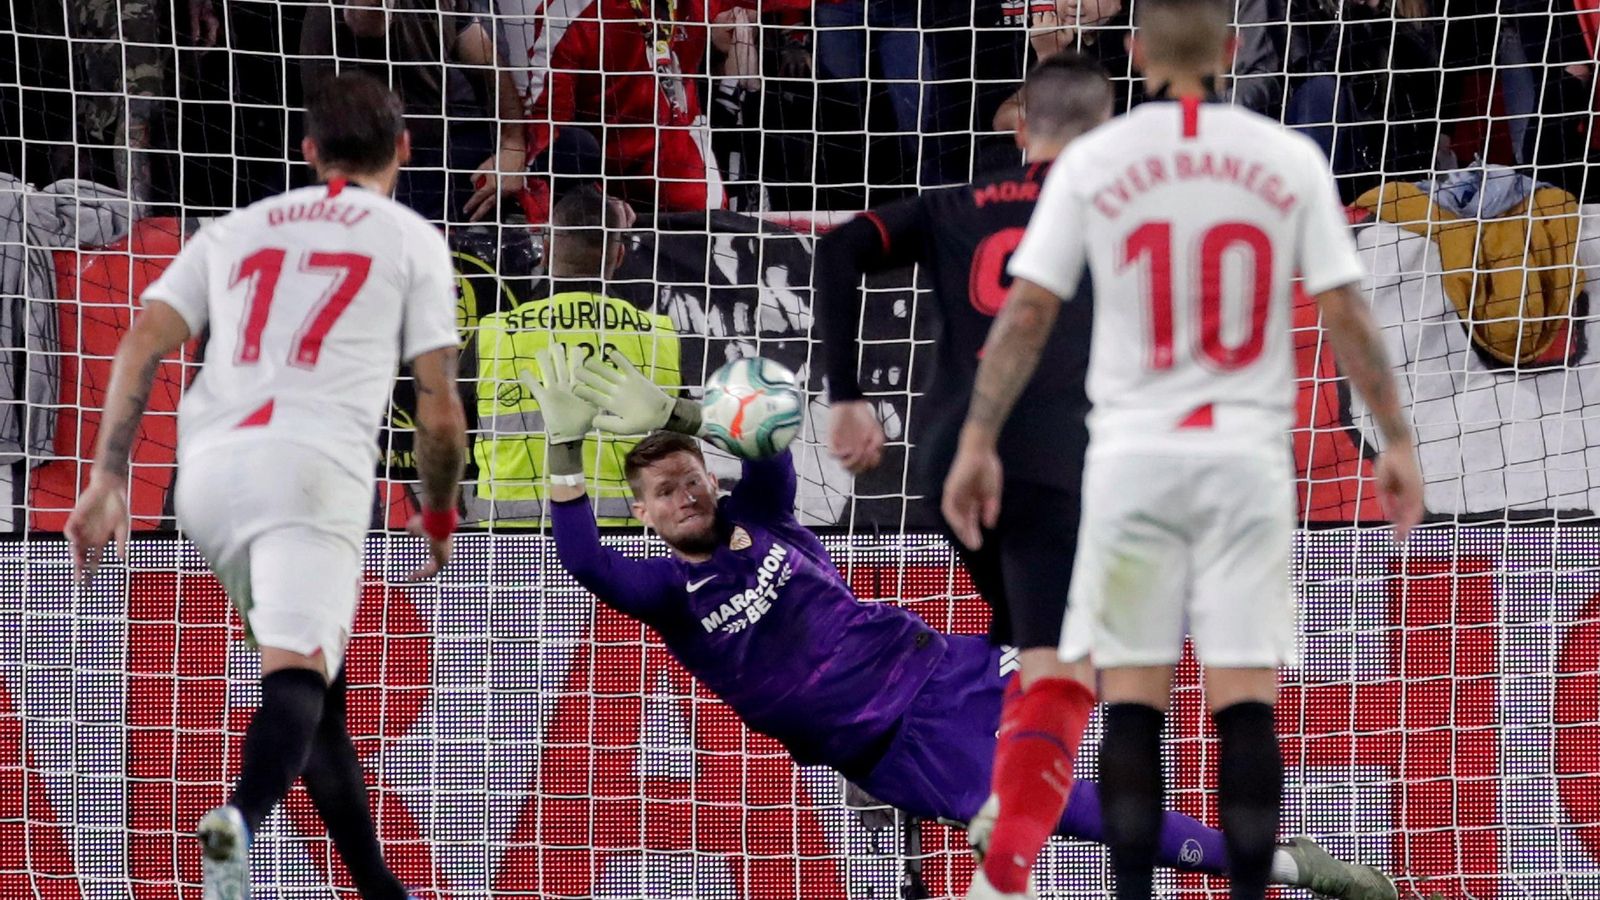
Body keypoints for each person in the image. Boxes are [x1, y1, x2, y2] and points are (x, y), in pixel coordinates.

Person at [516, 350, 1397, 900]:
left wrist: (677, 417)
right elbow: (585, 561)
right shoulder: (667, 594)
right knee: (1075, 816)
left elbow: (762, 437)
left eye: (690, 477)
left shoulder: (764, 512)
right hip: (899, 747)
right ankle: (1287, 865)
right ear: (643, 516)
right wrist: (562, 453)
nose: (684, 493)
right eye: (662, 492)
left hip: (945, 669)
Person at [942, 3, 1425, 900]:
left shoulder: (1096, 161)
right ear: (1234, 49)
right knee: (1245, 704)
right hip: (1244, 462)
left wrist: (976, 436)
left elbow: (1028, 313)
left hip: (1132, 462)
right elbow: (1346, 312)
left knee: (1134, 706)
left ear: (1133, 53)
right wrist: (1394, 440)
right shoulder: (1285, 159)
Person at [64, 72, 467, 900]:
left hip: (205, 476)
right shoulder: (410, 238)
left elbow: (141, 339)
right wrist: (434, 511)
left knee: (318, 693)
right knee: (297, 682)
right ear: (404, 149)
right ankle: (236, 824)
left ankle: (381, 889)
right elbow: (437, 408)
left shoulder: (233, 230)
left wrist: (107, 477)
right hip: (311, 473)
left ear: (308, 150)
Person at [816, 51, 1108, 900]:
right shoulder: (1115, 208)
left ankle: (975, 766)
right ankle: (1002, 855)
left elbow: (838, 250)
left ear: (1020, 127)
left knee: (1018, 629)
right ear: (1108, 132)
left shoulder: (954, 202)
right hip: (1056, 460)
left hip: (950, 463)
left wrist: (847, 397)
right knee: (1080, 662)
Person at [472, 184, 681, 525]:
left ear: (547, 247)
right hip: (630, 542)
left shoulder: (495, 333)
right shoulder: (659, 335)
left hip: (514, 543)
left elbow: (452, 429)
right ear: (619, 256)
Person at [300, 0, 529, 223]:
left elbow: (484, 57)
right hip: (354, 158)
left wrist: (513, 144)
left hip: (423, 158)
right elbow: (366, 20)